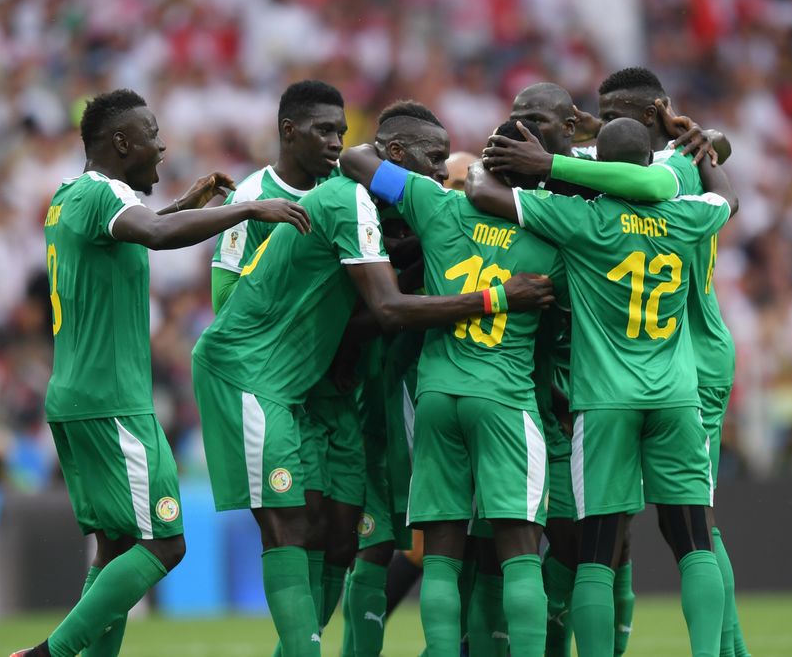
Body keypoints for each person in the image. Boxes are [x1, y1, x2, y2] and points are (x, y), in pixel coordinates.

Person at [190, 100, 554, 657]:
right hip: (271, 380)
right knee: (299, 525)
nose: (440, 173)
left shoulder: (417, 210)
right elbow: (382, 307)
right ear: (398, 156)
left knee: (354, 537)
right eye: (433, 159)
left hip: (354, 389)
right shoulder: (338, 197)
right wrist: (497, 296)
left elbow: (391, 265)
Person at [12, 88, 311, 657]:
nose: (162, 144)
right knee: (166, 544)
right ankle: (47, 654)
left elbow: (134, 235)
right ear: (122, 142)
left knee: (117, 550)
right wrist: (249, 207)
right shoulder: (103, 194)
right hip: (113, 401)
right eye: (152, 133)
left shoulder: (70, 196)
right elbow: (150, 234)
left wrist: (184, 207)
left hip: (76, 398)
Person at [485, 67, 751, 657]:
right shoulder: (686, 206)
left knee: (596, 554)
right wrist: (700, 139)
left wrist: (535, 167)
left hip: (605, 399)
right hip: (679, 387)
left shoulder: (581, 221)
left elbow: (493, 198)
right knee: (696, 539)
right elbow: (727, 197)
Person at [340, 119, 567, 656]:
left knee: (438, 556)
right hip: (506, 399)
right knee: (517, 551)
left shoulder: (435, 205)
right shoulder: (554, 238)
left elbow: (353, 158)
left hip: (438, 396)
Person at [206, 79, 348, 643]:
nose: (336, 141)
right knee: (293, 520)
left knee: (338, 533)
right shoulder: (251, 196)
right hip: (272, 382)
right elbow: (224, 300)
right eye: (323, 130)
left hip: (335, 381)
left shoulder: (344, 191)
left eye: (341, 130)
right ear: (289, 131)